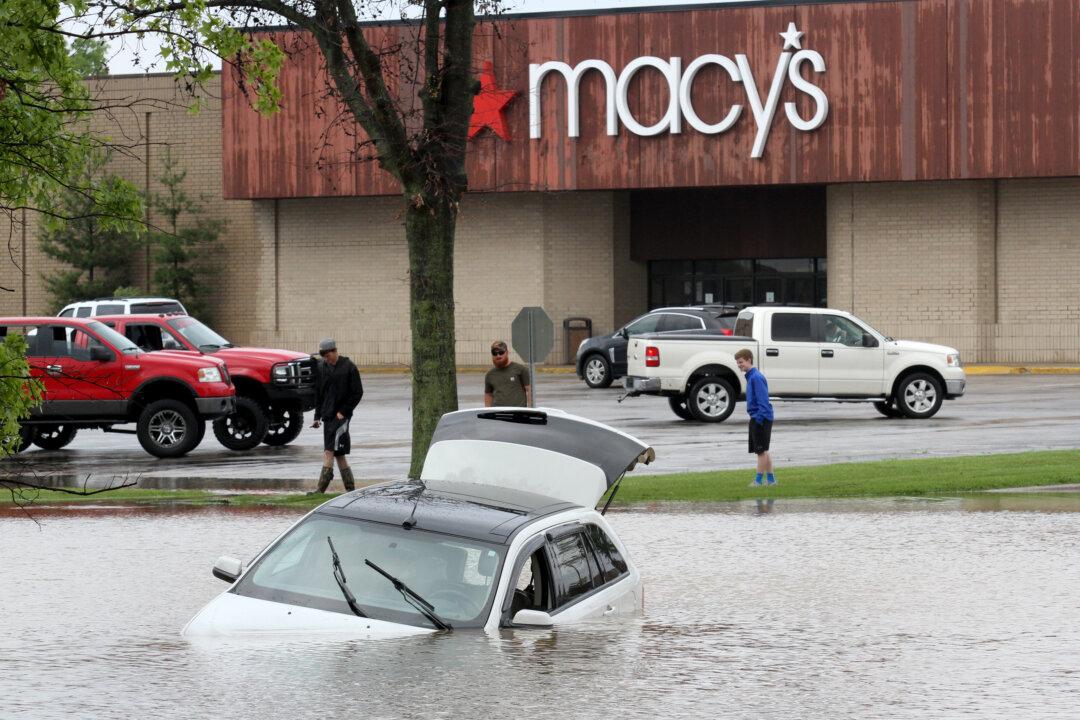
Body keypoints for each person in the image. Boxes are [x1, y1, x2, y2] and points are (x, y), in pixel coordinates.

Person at [310, 338, 364, 494]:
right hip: (327, 416)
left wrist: (344, 411)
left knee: (329, 451)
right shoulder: (322, 368)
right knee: (339, 454)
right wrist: (317, 416)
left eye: (328, 355)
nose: (326, 359)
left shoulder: (349, 367)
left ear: (334, 351)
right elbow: (319, 394)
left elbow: (357, 393)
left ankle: (320, 490)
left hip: (341, 418)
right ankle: (350, 489)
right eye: (324, 357)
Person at [734, 348, 776, 487]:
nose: (739, 365)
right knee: (763, 450)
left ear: (749, 360)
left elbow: (763, 401)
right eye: (738, 363)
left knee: (760, 452)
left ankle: (758, 481)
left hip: (760, 418)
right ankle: (771, 480)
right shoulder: (751, 376)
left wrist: (758, 420)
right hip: (757, 417)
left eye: (741, 362)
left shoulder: (756, 377)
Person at [484, 340, 532, 407]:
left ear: (507, 352)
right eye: (494, 353)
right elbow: (488, 394)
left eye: (501, 352)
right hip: (498, 414)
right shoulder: (489, 375)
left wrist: (530, 409)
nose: (498, 356)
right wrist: (488, 412)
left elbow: (529, 390)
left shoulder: (521, 370)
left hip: (518, 414)